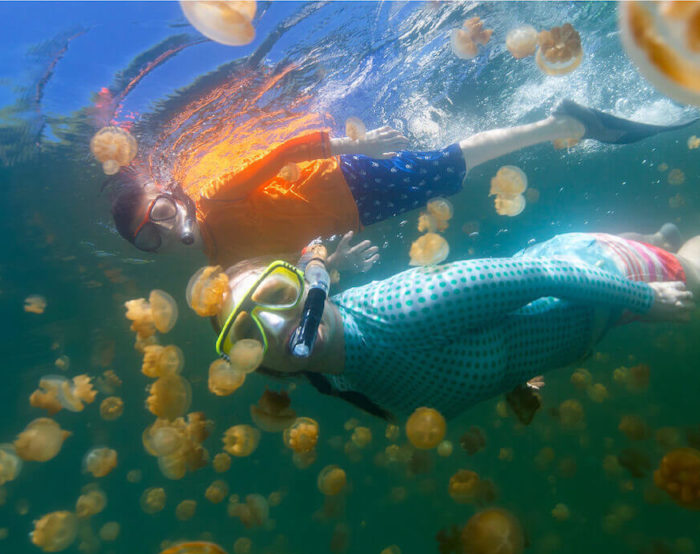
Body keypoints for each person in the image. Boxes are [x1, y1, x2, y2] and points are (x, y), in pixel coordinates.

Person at [193, 224, 698, 422]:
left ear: (307, 286)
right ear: (261, 366)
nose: (279, 327)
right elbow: (454, 357)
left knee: (692, 272)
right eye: (246, 335)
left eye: (277, 295)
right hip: (595, 320)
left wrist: (643, 297)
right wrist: (514, 377)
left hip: (599, 273)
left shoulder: (407, 305)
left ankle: (663, 249)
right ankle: (652, 236)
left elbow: (541, 274)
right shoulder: (335, 380)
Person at [109, 100, 698, 268]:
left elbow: (278, 153)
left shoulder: (214, 196)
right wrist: (332, 261)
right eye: (150, 238)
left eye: (159, 215)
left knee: (447, 164)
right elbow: (290, 250)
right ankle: (559, 122)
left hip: (345, 177)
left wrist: (355, 143)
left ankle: (560, 123)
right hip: (353, 218)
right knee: (447, 174)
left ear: (170, 195)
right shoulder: (220, 263)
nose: (165, 230)